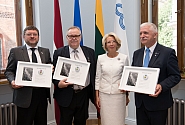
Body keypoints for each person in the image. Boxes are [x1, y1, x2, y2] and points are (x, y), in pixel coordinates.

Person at [132, 22, 181, 125]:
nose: (142, 36)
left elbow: (175, 76)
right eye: (140, 33)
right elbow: (134, 75)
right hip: (140, 103)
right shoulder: (137, 53)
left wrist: (161, 86)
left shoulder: (167, 53)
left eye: (145, 33)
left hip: (158, 103)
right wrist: (127, 84)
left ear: (155, 35)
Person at [4, 25, 51, 125]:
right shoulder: (15, 51)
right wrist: (12, 81)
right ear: (23, 37)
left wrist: (51, 68)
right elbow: (9, 71)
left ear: (38, 36)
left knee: (41, 122)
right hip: (24, 94)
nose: (32, 36)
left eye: (35, 34)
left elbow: (49, 67)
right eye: (29, 34)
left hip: (42, 95)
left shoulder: (45, 51)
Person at [52, 26, 96, 125]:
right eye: (71, 36)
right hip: (65, 94)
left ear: (80, 37)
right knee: (65, 122)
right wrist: (58, 84)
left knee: (81, 121)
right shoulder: (59, 52)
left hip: (83, 95)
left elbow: (94, 73)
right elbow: (53, 73)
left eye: (76, 36)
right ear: (66, 38)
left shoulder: (90, 52)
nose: (74, 38)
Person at [95, 32, 130, 125]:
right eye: (108, 42)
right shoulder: (100, 58)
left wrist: (127, 96)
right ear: (105, 45)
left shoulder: (124, 58)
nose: (111, 44)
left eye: (113, 41)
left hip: (119, 94)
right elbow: (98, 77)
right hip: (104, 94)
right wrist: (97, 96)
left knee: (118, 120)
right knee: (106, 121)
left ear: (117, 43)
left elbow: (127, 78)